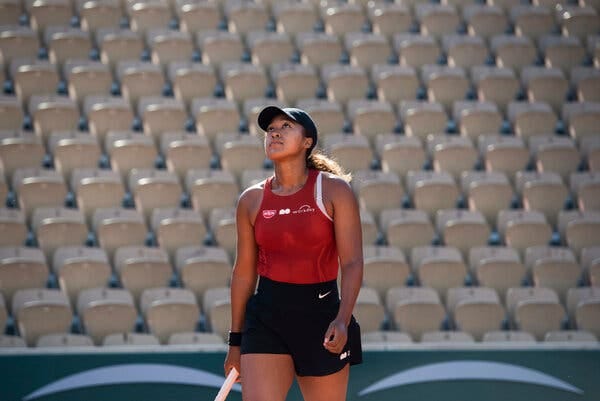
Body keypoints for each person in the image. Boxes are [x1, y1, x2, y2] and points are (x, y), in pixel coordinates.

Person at [223, 106, 364, 401]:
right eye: (270, 128)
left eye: (286, 126)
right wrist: (235, 341)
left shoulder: (334, 191)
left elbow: (351, 263)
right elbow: (243, 274)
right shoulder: (250, 200)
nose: (274, 132)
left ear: (307, 142)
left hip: (321, 317)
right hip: (266, 318)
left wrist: (342, 318)